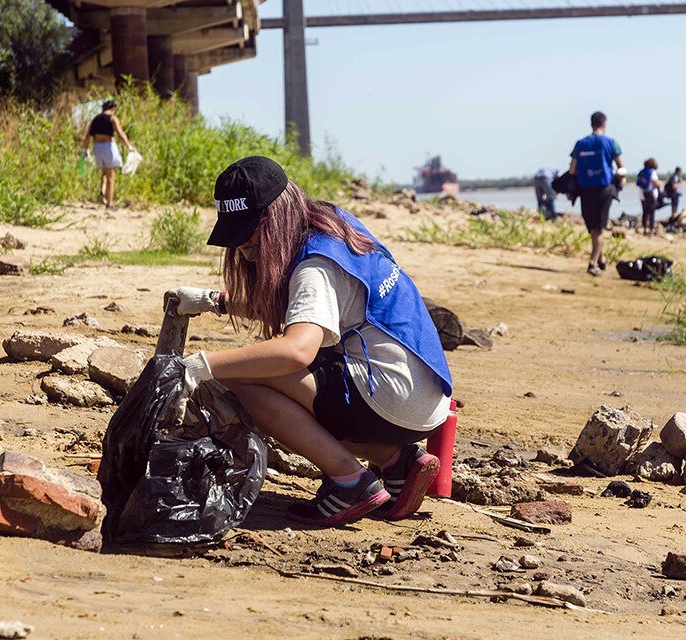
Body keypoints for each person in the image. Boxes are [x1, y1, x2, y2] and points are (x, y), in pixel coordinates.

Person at [164, 156, 452, 528]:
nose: (246, 249)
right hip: (425, 396)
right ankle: (397, 461)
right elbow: (297, 306)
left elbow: (296, 350)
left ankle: (350, 481)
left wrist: (201, 367)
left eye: (249, 236)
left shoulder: (314, 267)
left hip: (390, 398)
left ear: (274, 218)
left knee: (236, 381)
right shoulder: (331, 223)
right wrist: (213, 300)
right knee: (289, 375)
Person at [568, 111, 625, 276]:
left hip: (586, 190)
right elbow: (621, 167)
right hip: (604, 189)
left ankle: (601, 260)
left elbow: (572, 169)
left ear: (591, 124)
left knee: (594, 228)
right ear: (604, 124)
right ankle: (594, 262)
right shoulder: (610, 143)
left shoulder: (581, 144)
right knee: (598, 229)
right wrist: (621, 180)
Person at [81, 100, 135, 212]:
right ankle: (109, 203)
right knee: (111, 175)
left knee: (105, 172)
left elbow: (88, 135)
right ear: (113, 109)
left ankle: (102, 193)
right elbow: (120, 133)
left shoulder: (95, 119)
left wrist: (85, 150)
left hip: (96, 147)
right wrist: (129, 146)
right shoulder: (112, 118)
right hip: (108, 147)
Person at [636, 158, 663, 235]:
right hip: (650, 195)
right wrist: (661, 183)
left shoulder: (641, 172)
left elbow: (638, 183)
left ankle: (644, 229)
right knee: (652, 212)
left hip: (641, 194)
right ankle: (651, 229)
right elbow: (655, 182)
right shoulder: (652, 172)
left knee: (645, 212)